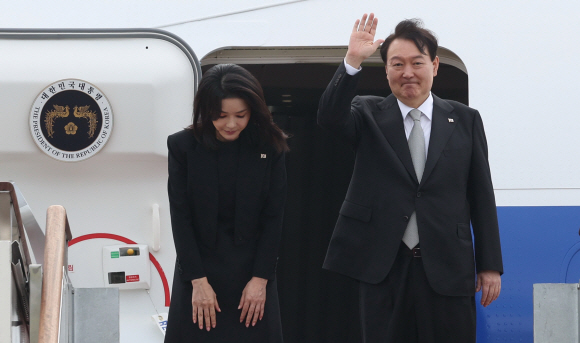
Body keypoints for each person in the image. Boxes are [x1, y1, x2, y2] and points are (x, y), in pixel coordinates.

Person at [317, 14, 503, 342]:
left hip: (447, 264)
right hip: (383, 265)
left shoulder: (464, 120)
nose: (407, 73)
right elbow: (330, 118)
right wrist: (352, 61)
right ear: (386, 69)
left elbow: (481, 196)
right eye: (397, 64)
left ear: (434, 65)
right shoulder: (367, 112)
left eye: (417, 63)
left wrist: (490, 265)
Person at [165, 64, 288, 342]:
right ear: (205, 111)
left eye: (240, 115)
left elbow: (274, 217)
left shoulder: (269, 146)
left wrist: (260, 280)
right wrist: (197, 281)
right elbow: (180, 216)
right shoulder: (183, 146)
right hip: (198, 271)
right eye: (220, 116)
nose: (231, 124)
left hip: (253, 272)